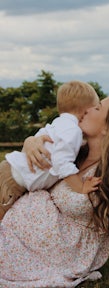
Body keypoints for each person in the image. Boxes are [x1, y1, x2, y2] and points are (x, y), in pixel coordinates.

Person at [0, 95, 109, 288]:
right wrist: (30, 142)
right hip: (16, 225)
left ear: (108, 128)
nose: (86, 109)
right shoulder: (74, 150)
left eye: (96, 108)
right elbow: (37, 149)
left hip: (51, 251)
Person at [0, 80, 100, 219]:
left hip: (11, 172)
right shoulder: (73, 130)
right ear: (85, 110)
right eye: (96, 108)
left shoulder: (60, 124)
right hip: (12, 181)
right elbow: (62, 162)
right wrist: (81, 188)